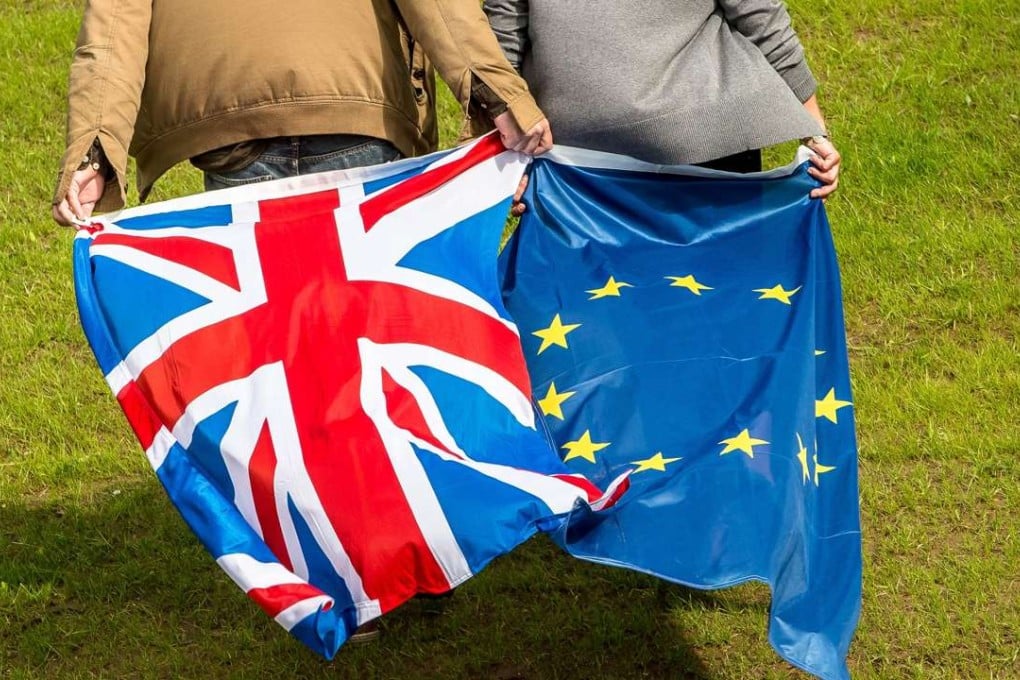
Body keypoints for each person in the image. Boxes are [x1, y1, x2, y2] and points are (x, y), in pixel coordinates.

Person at [52, 0, 553, 226]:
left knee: (274, 355)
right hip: (356, 111)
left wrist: (92, 153)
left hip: (232, 131)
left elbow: (111, 31)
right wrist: (499, 98)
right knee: (362, 340)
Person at [483, 0, 840, 198]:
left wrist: (499, 156)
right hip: (701, 130)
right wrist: (815, 132)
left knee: (587, 317)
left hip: (571, 157)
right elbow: (759, 14)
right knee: (723, 299)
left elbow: (504, 31)